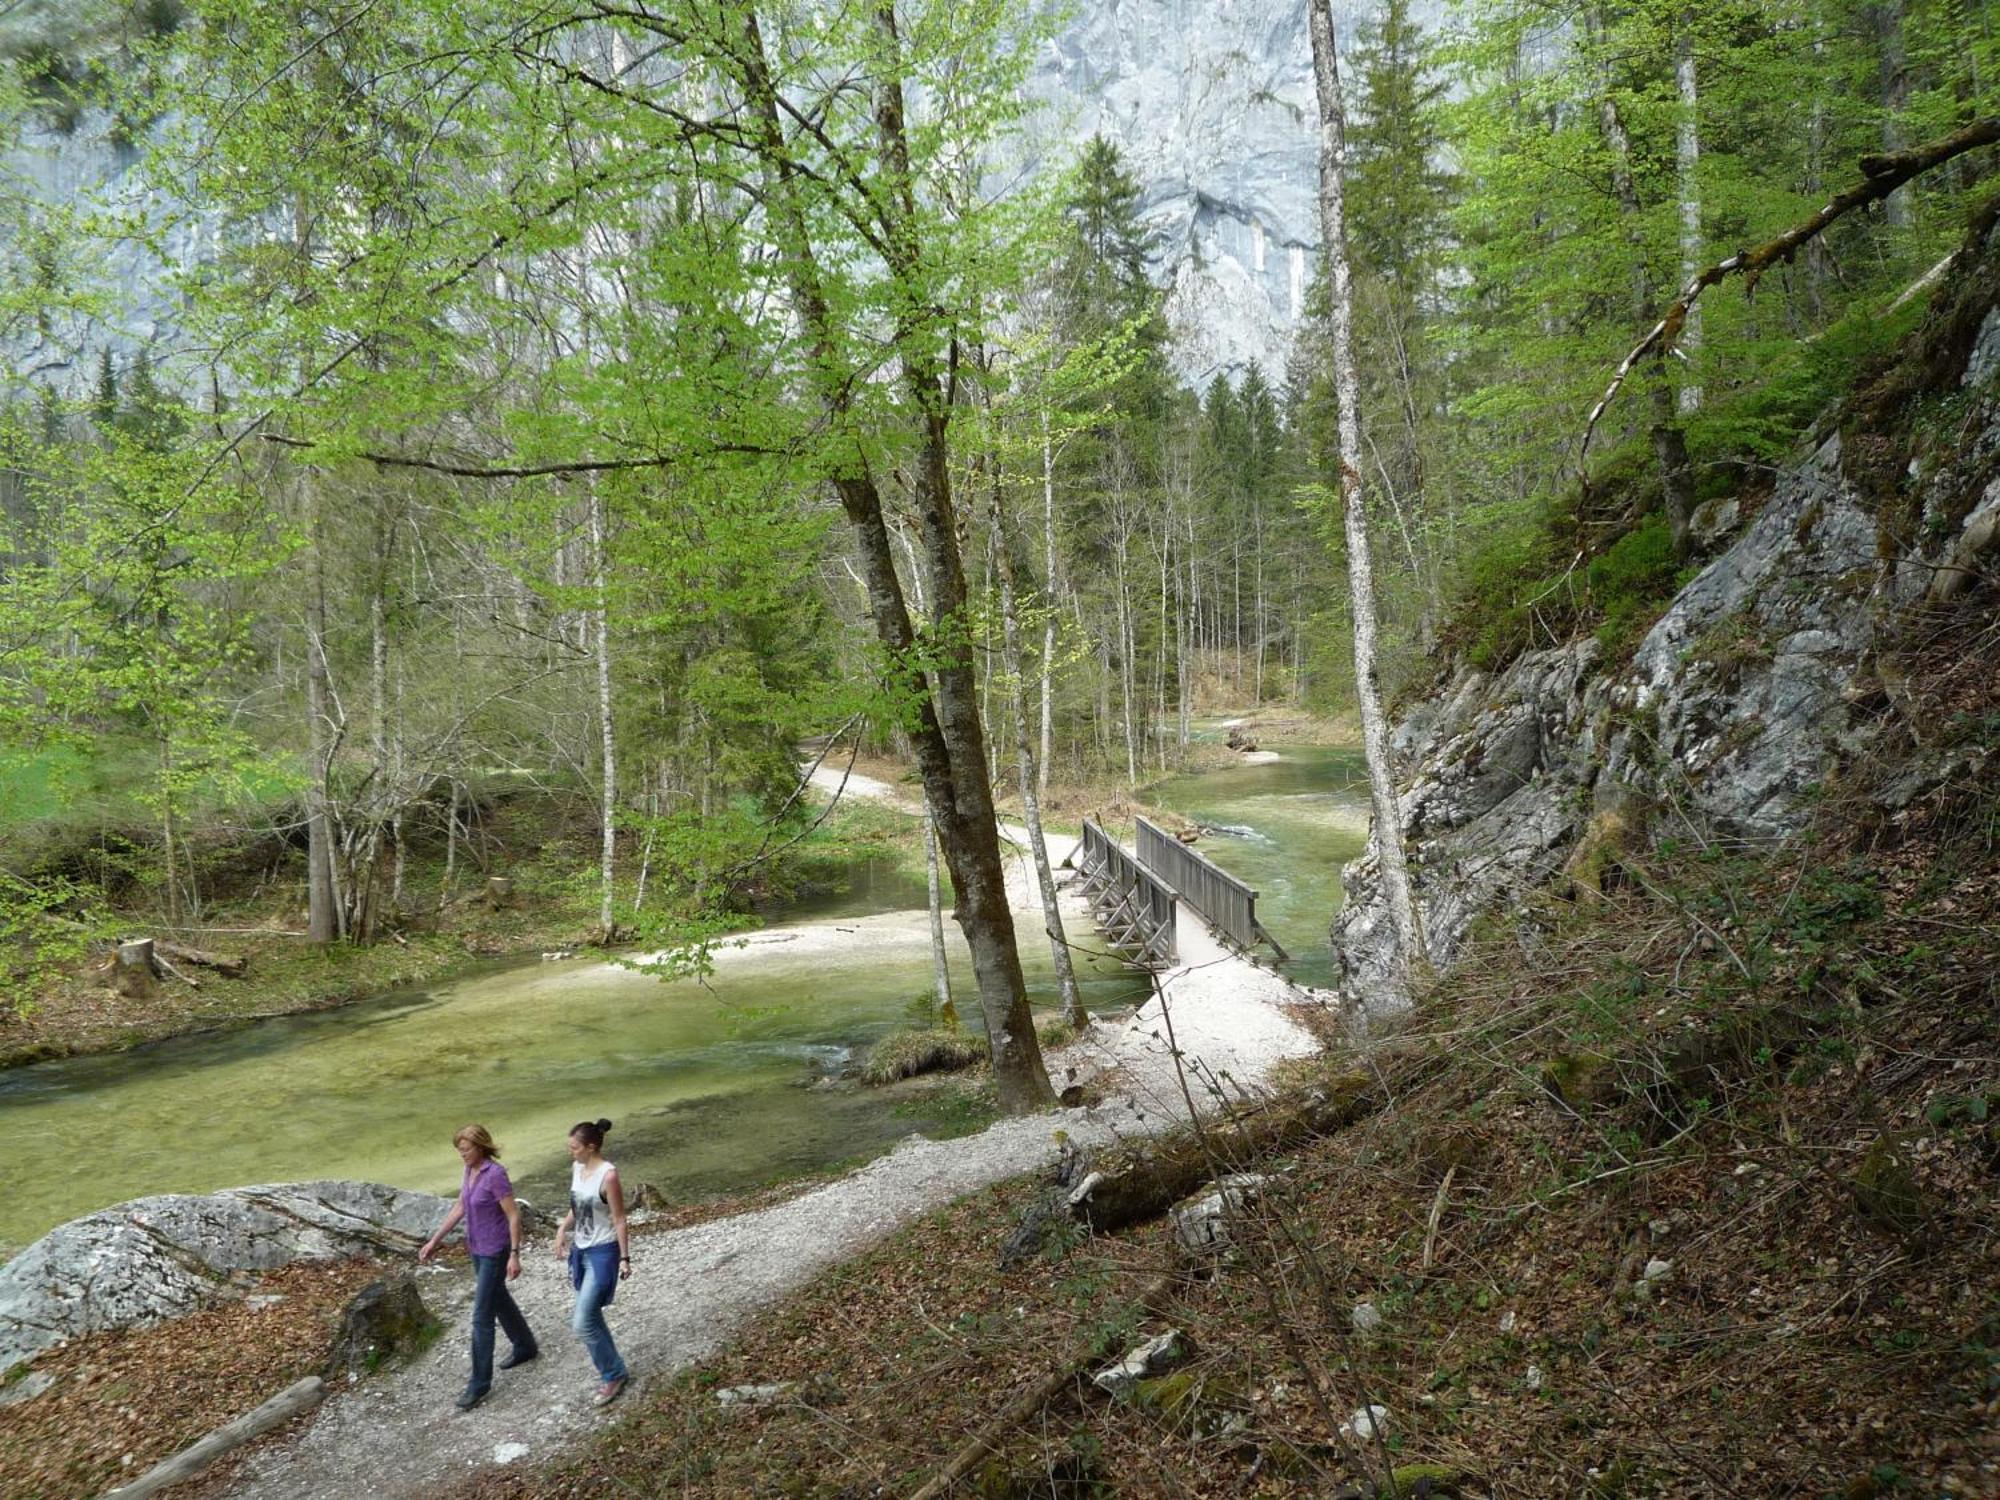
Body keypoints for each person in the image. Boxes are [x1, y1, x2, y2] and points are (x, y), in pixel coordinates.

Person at [418, 1124, 538, 1411]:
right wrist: (435, 1240)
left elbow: (513, 1215)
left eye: (466, 1149)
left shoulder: (495, 1175)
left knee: (481, 1317)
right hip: (476, 1247)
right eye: (459, 1149)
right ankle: (525, 1345)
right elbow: (461, 1206)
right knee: (498, 1299)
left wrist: (515, 1254)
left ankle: (479, 1384)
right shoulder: (469, 1171)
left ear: (480, 1146)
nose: (461, 1154)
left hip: (496, 1251)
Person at [552, 1117, 631, 1406]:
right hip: (580, 1251)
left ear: (591, 1147)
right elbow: (578, 1207)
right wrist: (562, 1229)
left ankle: (612, 1375)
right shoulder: (577, 1168)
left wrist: (625, 1258)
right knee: (591, 1316)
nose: (570, 1152)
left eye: (574, 1148)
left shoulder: (608, 1175)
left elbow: (619, 1218)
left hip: (603, 1251)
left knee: (582, 1322)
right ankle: (616, 1370)